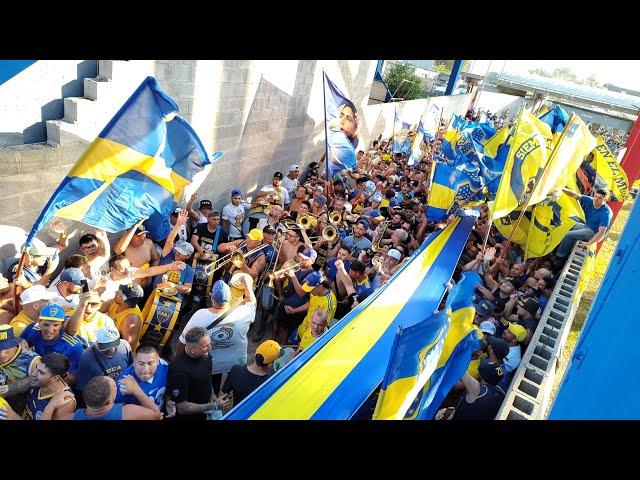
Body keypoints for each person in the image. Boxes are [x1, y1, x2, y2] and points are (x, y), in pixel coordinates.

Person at [178, 277, 256, 395]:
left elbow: (183, 341)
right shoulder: (243, 312)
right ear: (230, 298)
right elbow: (252, 302)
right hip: (237, 361)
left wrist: (178, 359)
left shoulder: (200, 315)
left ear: (212, 297)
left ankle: (215, 402)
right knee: (236, 385)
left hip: (212, 364)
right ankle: (230, 397)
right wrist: (246, 283)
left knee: (212, 386)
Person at [168, 327, 226, 421]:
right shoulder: (178, 370)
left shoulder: (204, 354)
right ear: (192, 349)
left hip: (203, 410)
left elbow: (207, 377)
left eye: (209, 344)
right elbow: (182, 408)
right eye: (205, 346)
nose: (210, 347)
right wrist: (211, 406)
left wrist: (213, 397)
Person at [20, 304, 83, 386]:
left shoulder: (72, 345)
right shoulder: (32, 329)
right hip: (31, 376)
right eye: (46, 324)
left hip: (55, 385)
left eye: (55, 325)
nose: (50, 330)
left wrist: (46, 381)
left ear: (62, 324)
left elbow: (73, 378)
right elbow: (17, 342)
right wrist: (20, 341)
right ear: (39, 322)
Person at [555, 187, 613, 266]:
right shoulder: (590, 200)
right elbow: (575, 195)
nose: (596, 199)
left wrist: (587, 244)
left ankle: (560, 257)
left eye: (600, 198)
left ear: (605, 200)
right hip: (585, 225)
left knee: (569, 234)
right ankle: (556, 245)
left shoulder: (606, 213)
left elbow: (601, 233)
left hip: (593, 233)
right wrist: (560, 188)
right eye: (595, 196)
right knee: (568, 220)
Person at [220, 340, 281, 408]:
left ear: (256, 353)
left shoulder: (235, 370)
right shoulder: (270, 383)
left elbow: (224, 395)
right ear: (271, 363)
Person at [70, 376, 161, 420]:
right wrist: (136, 390)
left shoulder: (72, 417)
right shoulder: (127, 413)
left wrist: (54, 404)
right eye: (115, 387)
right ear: (109, 401)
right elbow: (156, 415)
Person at [76, 326, 133, 394]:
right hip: (102, 396)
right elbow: (83, 387)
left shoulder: (124, 345)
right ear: (97, 343)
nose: (112, 349)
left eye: (114, 344)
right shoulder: (87, 357)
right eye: (107, 346)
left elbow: (132, 369)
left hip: (124, 392)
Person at [0, 324, 40, 416]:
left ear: (14, 344)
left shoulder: (32, 360)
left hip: (19, 412)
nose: (2, 355)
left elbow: (44, 379)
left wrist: (12, 388)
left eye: (7, 349)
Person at [115, 344, 168, 412]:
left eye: (150, 363)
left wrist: (168, 399)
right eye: (141, 363)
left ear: (158, 361)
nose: (145, 369)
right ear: (134, 362)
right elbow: (120, 413)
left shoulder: (164, 366)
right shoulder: (123, 384)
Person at [24, 352, 76, 420]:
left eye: (41, 372)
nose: (33, 374)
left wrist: (13, 416)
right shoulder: (38, 380)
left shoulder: (66, 402)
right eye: (36, 368)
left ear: (55, 378)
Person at [113, 220, 160, 288]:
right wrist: (134, 227)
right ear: (130, 236)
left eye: (143, 234)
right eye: (138, 235)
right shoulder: (124, 248)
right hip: (131, 288)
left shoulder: (149, 243)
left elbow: (155, 259)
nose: (142, 238)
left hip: (148, 285)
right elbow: (118, 250)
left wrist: (150, 273)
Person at [107, 283, 144, 350]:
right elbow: (99, 308)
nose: (116, 292)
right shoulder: (116, 301)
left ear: (125, 303)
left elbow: (127, 348)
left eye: (119, 293)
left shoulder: (131, 320)